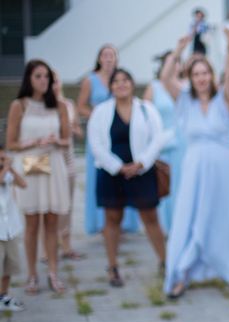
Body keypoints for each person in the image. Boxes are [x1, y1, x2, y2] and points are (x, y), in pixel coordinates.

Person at [162, 30, 229, 298]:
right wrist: (177, 51)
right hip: (195, 167)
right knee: (189, 217)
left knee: (224, 218)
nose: (201, 78)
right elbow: (165, 79)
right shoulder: (184, 100)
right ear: (190, 77)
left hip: (224, 167)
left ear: (211, 76)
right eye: (196, 74)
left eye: (205, 73)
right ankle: (181, 273)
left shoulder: (225, 100)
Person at [87, 69, 167, 287]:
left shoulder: (146, 109)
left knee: (151, 218)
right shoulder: (101, 112)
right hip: (112, 172)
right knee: (112, 220)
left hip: (141, 171)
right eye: (116, 81)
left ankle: (165, 262)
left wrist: (141, 163)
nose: (121, 84)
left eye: (125, 80)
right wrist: (118, 167)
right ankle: (113, 267)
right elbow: (96, 144)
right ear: (111, 87)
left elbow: (157, 139)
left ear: (132, 84)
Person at [6, 59, 71, 295]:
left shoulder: (60, 106)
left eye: (47, 76)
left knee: (52, 222)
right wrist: (32, 142)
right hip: (30, 164)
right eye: (38, 76)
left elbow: (67, 140)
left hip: (52, 164)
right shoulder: (19, 106)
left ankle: (53, 271)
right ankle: (32, 274)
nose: (44, 81)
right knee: (32, 223)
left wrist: (55, 140)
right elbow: (10, 142)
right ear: (29, 79)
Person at [77, 44, 139, 235]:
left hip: (119, 134)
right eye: (105, 55)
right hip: (100, 135)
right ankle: (103, 223)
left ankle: (124, 222)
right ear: (99, 58)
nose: (108, 58)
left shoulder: (121, 79)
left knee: (124, 171)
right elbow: (81, 106)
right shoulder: (90, 80)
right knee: (100, 176)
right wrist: (97, 116)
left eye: (112, 55)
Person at [143, 51, 187, 233]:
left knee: (180, 181)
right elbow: (144, 113)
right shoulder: (153, 87)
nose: (175, 65)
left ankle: (181, 221)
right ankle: (163, 225)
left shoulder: (185, 85)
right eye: (171, 61)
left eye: (177, 61)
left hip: (181, 140)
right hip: (161, 141)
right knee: (162, 180)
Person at [52, 71, 85, 260]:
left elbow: (79, 131)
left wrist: (71, 129)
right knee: (48, 205)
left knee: (68, 204)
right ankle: (47, 248)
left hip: (68, 158)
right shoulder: (41, 106)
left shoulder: (69, 105)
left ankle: (66, 245)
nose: (54, 85)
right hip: (49, 159)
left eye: (56, 81)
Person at [0, 145, 27, 311]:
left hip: (10, 227)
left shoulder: (7, 172)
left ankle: (3, 295)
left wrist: (11, 169)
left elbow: (23, 184)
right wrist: (7, 167)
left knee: (9, 265)